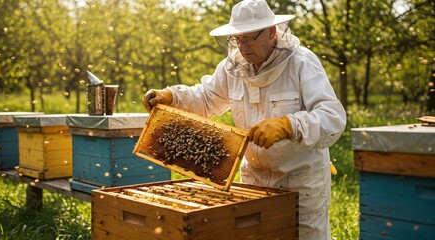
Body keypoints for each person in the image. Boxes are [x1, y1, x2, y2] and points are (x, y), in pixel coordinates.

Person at [142, 0, 346, 239]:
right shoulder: (233, 67)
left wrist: (289, 125)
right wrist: (173, 96)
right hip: (254, 180)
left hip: (300, 182)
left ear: (272, 32)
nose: (243, 46)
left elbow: (332, 117)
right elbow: (207, 98)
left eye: (249, 38)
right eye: (238, 39)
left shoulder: (301, 62)